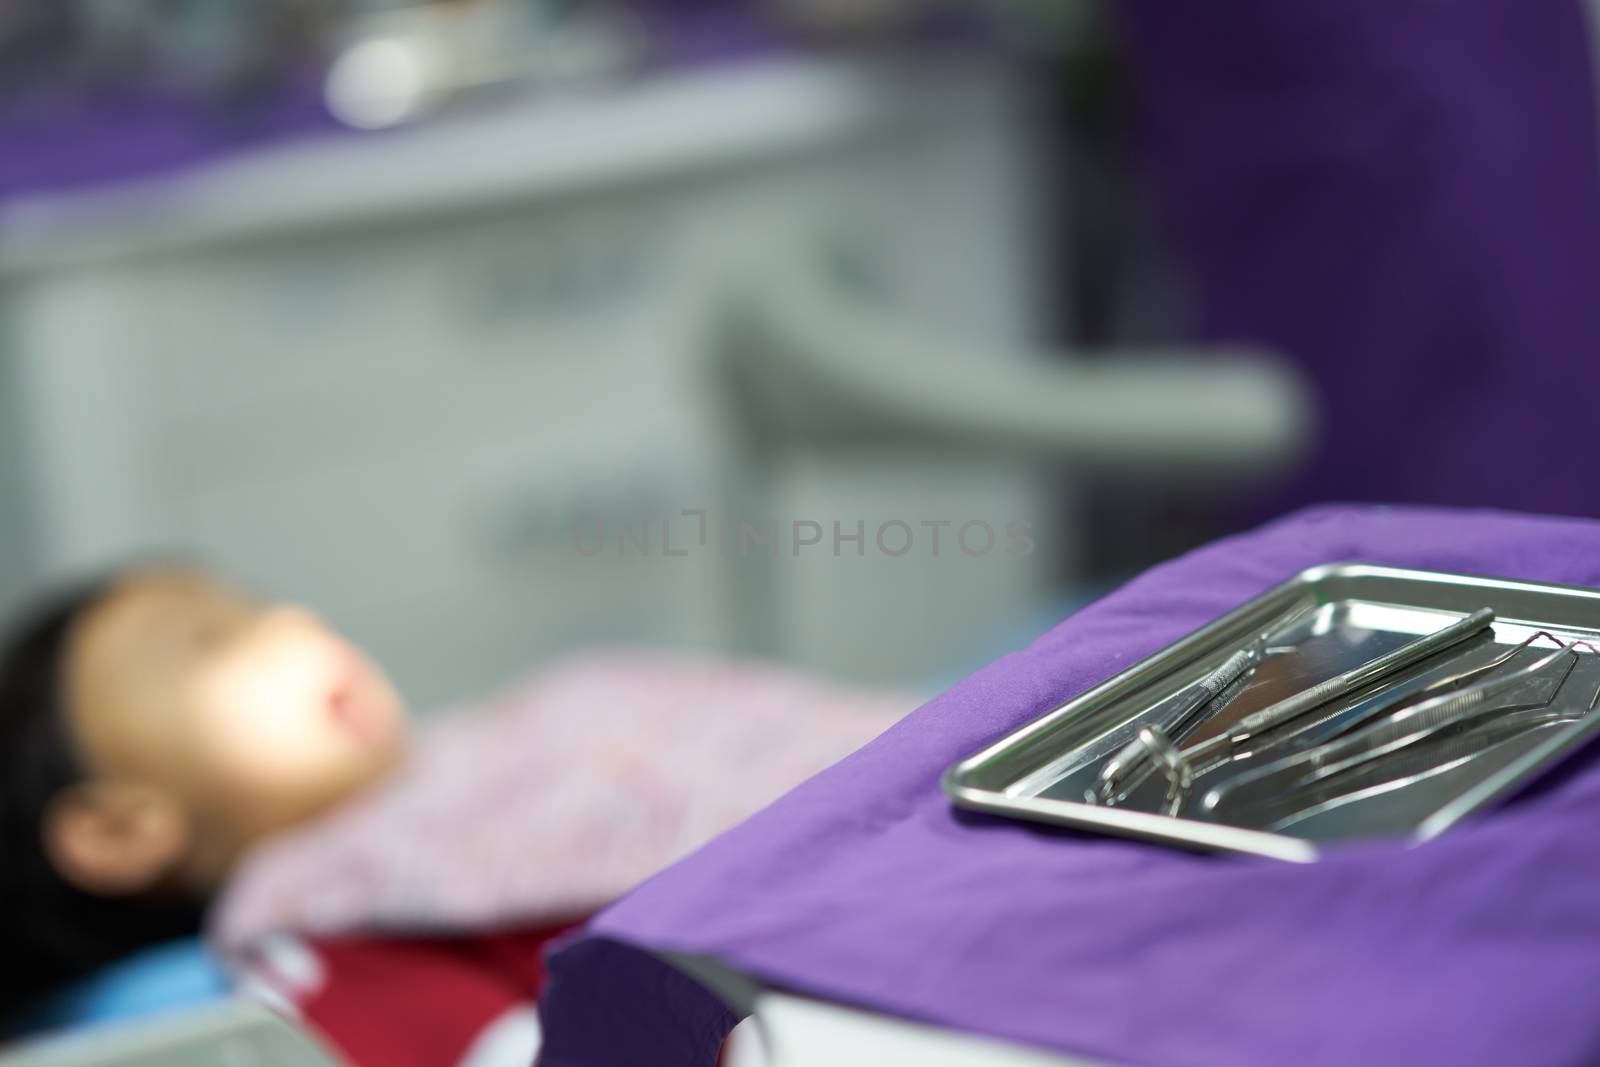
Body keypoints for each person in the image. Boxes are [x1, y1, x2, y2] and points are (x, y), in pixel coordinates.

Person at [0, 566, 913, 1047]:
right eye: (208, 643)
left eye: (261, 605)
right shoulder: (322, 917)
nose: (292, 622)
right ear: (118, 830)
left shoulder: (500, 735)